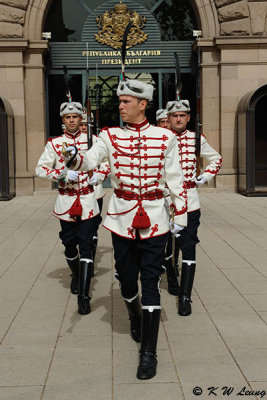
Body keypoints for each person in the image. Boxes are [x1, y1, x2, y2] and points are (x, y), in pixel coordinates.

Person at [65, 79, 187, 380]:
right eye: (119, 102)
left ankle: (149, 353)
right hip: (121, 217)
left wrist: (180, 212)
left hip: (155, 217)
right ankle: (133, 313)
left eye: (126, 101)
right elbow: (90, 160)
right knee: (127, 280)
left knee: (150, 280)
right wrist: (74, 157)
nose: (120, 106)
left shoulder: (164, 137)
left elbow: (175, 176)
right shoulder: (108, 136)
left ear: (142, 104)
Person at [35, 102, 105, 315]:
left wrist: (99, 176)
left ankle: (84, 296)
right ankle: (75, 274)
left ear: (81, 120)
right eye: (68, 117)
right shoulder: (54, 144)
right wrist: (62, 174)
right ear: (63, 120)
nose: (72, 120)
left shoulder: (92, 141)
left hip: (87, 200)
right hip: (66, 202)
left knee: (87, 245)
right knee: (69, 245)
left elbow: (106, 163)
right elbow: (40, 168)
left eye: (76, 117)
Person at [167, 99, 222, 316]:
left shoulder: (196, 139)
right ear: (169, 118)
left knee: (188, 246)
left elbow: (215, 159)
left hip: (190, 200)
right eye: (174, 115)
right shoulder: (160, 138)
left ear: (188, 117)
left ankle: (185, 296)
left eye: (182, 115)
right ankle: (171, 276)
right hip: (165, 201)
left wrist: (205, 176)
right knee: (165, 246)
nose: (178, 119)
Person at [79, 112, 110, 275]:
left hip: (95, 190)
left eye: (86, 124)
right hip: (76, 192)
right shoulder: (72, 142)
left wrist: (100, 175)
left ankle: (89, 256)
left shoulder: (98, 141)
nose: (84, 127)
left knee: (93, 225)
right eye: (82, 124)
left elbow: (107, 163)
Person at [156, 108, 180, 296]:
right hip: (158, 197)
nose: (165, 125)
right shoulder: (154, 141)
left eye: (167, 121)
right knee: (161, 240)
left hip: (174, 196)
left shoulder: (180, 141)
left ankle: (172, 275)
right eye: (161, 122)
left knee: (174, 240)